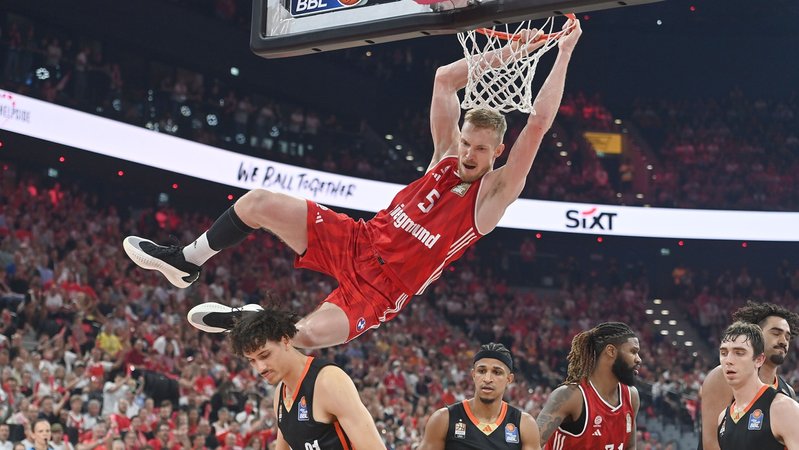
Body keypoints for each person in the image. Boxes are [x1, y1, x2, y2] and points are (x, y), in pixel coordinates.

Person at [122, 18, 583, 348]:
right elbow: (445, 81)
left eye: (480, 150)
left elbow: (538, 124)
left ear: (496, 154)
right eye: (466, 142)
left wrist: (560, 52)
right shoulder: (444, 155)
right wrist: (518, 48)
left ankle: (253, 319)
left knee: (302, 337)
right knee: (258, 202)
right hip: (357, 238)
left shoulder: (493, 196)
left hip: (382, 290)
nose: (467, 153)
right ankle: (186, 261)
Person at [227, 306, 385, 449]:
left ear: (286, 340)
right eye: (252, 360)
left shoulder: (328, 381)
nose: (260, 368)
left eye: (265, 355)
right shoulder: (280, 396)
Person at [699, 301, 799, 450]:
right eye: (776, 333)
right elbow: (711, 444)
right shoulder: (723, 376)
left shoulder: (787, 393)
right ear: (756, 334)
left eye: (787, 336)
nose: (783, 341)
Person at [536, 322, 641, 450]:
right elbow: (530, 445)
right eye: (633, 352)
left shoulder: (631, 396)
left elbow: (629, 447)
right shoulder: (570, 396)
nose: (638, 359)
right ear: (611, 351)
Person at [418, 342, 540, 449]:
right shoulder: (443, 419)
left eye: (497, 372)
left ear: (509, 379)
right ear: (473, 374)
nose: (487, 379)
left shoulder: (524, 424)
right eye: (482, 371)